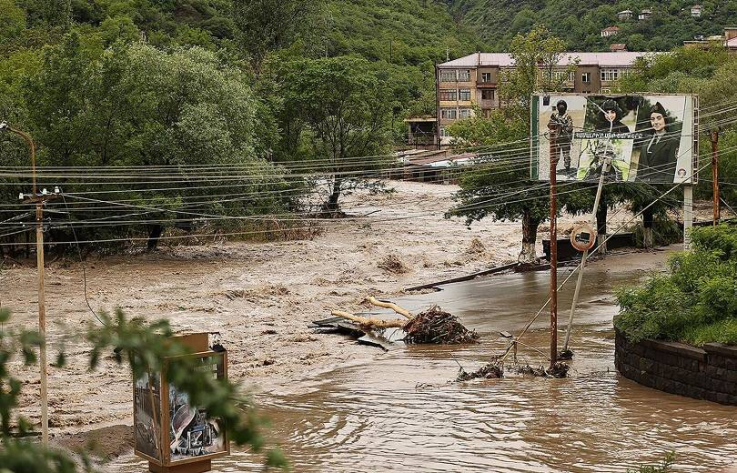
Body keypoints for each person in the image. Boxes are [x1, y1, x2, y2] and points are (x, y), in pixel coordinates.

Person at [637, 102, 679, 182]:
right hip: (643, 187)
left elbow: (671, 170)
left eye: (659, 118)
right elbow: (640, 169)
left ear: (665, 120)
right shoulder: (646, 142)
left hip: (661, 187)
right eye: (652, 119)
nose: (655, 122)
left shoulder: (672, 141)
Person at [548, 99, 574, 174]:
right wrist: (553, 124)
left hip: (565, 139)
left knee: (566, 155)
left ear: (565, 107)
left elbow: (570, 127)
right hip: (557, 139)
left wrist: (563, 125)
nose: (561, 107)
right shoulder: (555, 116)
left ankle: (567, 168)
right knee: (555, 156)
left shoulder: (567, 116)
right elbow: (550, 125)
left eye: (562, 105)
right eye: (559, 105)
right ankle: (553, 170)